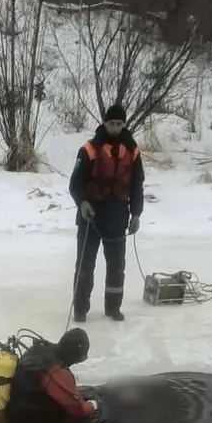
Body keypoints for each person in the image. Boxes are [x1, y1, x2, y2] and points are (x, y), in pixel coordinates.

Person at [68, 103, 145, 323]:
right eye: (111, 124)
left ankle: (113, 308)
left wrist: (136, 214)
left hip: (118, 215)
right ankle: (81, 309)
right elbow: (75, 184)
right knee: (85, 266)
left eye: (119, 124)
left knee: (116, 266)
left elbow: (137, 184)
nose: (115, 128)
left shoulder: (132, 151)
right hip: (90, 215)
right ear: (104, 123)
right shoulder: (89, 149)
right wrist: (82, 203)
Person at [5, 328, 103, 423]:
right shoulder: (56, 372)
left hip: (15, 419)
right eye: (79, 359)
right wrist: (94, 404)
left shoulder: (38, 350)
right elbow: (78, 410)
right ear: (75, 355)